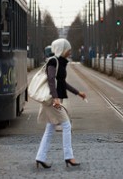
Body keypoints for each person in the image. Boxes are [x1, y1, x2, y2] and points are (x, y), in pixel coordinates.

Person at [35, 38, 87, 169]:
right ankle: (69, 157)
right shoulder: (53, 61)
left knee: (50, 128)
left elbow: (62, 83)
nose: (70, 51)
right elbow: (51, 80)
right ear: (62, 49)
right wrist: (55, 97)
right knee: (67, 125)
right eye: (68, 49)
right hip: (52, 101)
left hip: (55, 99)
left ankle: (40, 157)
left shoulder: (61, 63)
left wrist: (77, 93)